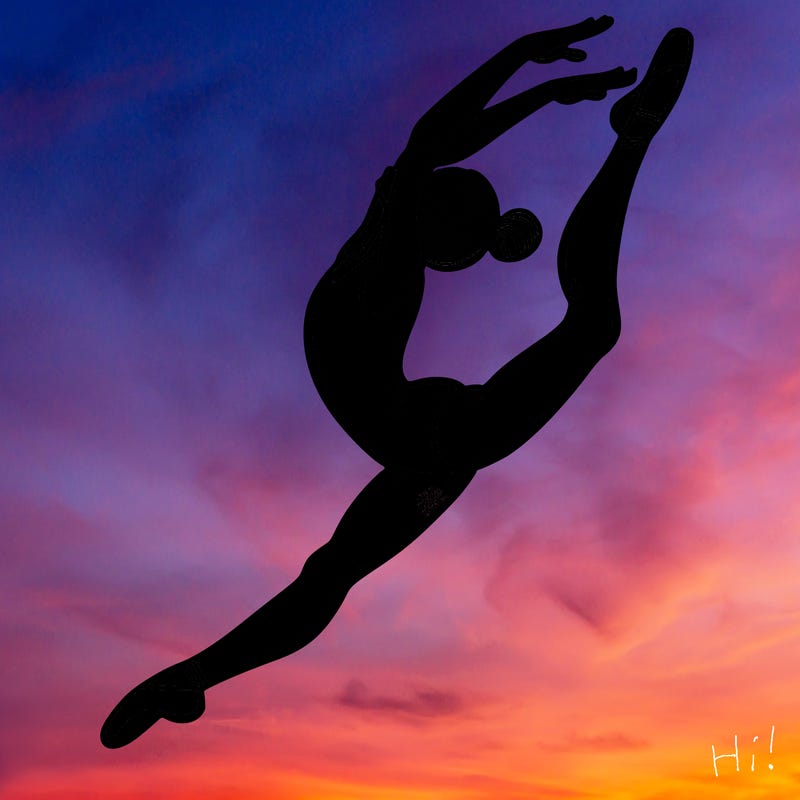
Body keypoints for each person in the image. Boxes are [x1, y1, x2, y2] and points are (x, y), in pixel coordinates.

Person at [101, 18, 693, 749]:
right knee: (329, 576)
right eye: (470, 225)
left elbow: (437, 150)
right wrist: (524, 66)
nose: (476, 244)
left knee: (593, 325)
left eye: (479, 234)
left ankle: (632, 135)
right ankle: (188, 678)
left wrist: (537, 83)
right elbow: (434, 139)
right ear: (430, 209)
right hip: (430, 441)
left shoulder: (393, 247)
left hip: (432, 440)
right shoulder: (383, 241)